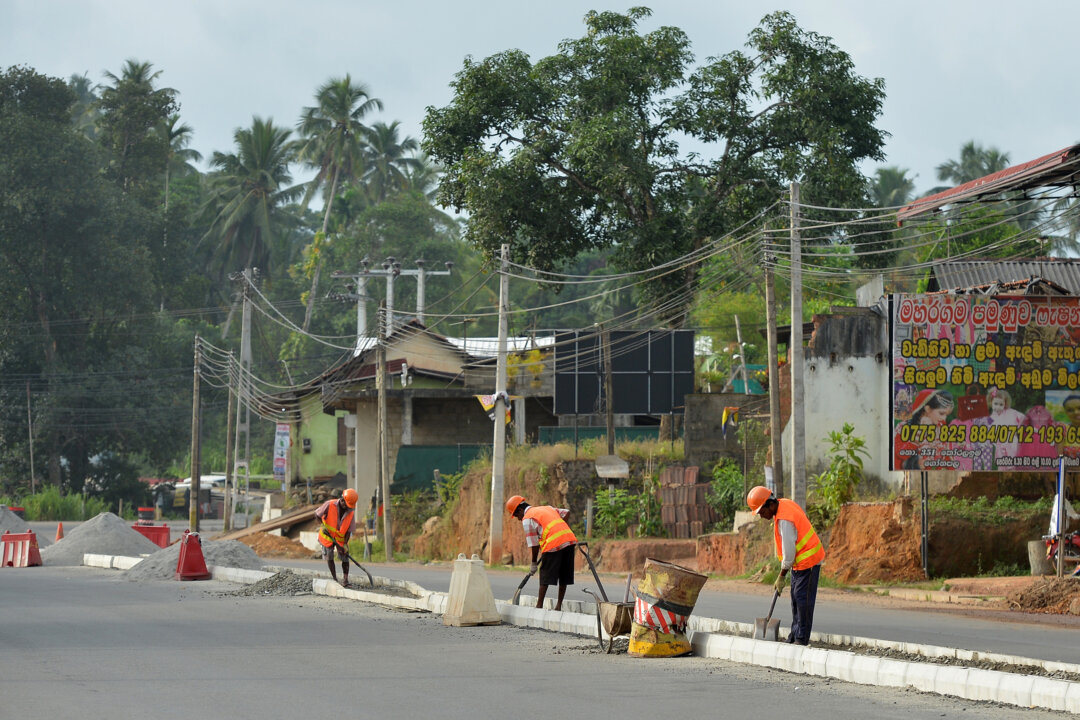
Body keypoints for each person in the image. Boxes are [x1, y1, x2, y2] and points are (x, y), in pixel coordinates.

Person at [746, 486, 825, 646]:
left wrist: (781, 575)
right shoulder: (783, 506)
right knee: (796, 598)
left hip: (808, 561)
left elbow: (789, 552)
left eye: (762, 512)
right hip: (800, 563)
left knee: (803, 601)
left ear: (770, 504)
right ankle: (795, 635)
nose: (762, 516)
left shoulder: (785, 520)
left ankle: (801, 638)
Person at [505, 495, 576, 611]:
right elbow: (566, 512)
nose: (518, 519)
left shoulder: (527, 518)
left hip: (553, 543)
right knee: (564, 575)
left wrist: (533, 563)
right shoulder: (546, 508)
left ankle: (539, 606)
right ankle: (558, 606)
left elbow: (534, 544)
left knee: (545, 575)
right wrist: (560, 530)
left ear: (520, 510)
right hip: (569, 539)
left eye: (517, 515)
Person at [893, 388, 955, 470]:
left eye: (946, 415)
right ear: (927, 409)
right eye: (941, 413)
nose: (944, 418)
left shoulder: (941, 428)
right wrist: (916, 440)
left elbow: (947, 458)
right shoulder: (904, 427)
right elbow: (899, 454)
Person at [316, 488, 357, 587]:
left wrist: (345, 544)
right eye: (346, 505)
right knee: (329, 556)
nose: (347, 508)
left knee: (345, 557)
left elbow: (349, 530)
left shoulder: (350, 512)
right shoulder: (329, 504)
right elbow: (317, 514)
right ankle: (335, 579)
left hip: (340, 538)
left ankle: (345, 580)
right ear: (342, 500)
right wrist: (322, 526)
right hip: (327, 536)